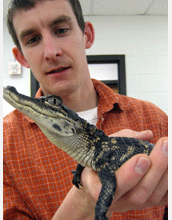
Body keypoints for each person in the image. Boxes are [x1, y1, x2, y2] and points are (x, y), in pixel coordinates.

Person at [3, 0, 168, 219]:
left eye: (61, 30)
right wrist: (85, 198)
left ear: (87, 35)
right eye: (33, 39)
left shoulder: (156, 120)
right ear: (21, 57)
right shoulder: (4, 145)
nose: (51, 52)